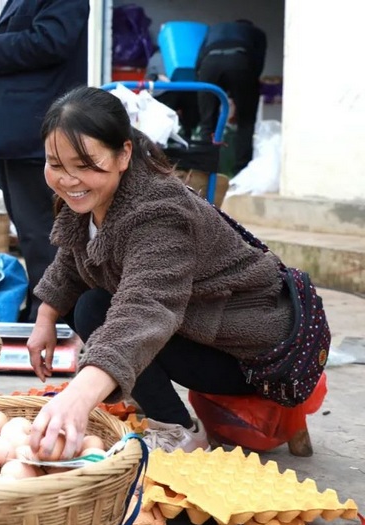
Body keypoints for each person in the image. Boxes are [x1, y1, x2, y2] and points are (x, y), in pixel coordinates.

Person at [25, 86, 308, 459]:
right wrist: (44, 317)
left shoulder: (160, 212)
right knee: (93, 305)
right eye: (56, 165)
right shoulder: (91, 198)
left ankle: (179, 431)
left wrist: (78, 396)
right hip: (200, 327)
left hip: (253, 354)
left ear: (123, 154)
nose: (69, 180)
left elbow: (147, 308)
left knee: (98, 311)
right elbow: (73, 260)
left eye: (85, 165)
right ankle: (148, 398)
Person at [0, 0, 90, 322]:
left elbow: (52, 41)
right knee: (29, 231)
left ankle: (55, 315)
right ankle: (46, 307)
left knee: (43, 231)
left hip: (35, 129)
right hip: (12, 131)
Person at [196, 20, 267, 174]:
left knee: (207, 121)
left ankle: (204, 170)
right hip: (240, 62)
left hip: (209, 64)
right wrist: (242, 95)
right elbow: (257, 65)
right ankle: (241, 171)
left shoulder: (214, 28)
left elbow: (198, 59)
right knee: (246, 120)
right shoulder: (257, 33)